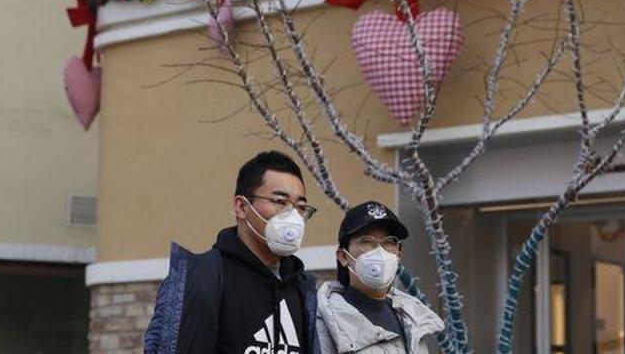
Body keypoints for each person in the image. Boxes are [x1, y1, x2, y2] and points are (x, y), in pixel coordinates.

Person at [144, 151, 321, 354]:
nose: (293, 217)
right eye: (280, 202)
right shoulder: (201, 279)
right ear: (241, 207)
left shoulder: (303, 289)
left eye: (300, 207)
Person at [316, 201, 444, 353]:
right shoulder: (325, 322)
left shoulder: (413, 319)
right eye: (366, 241)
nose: (380, 251)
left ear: (399, 255)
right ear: (343, 256)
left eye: (389, 242)